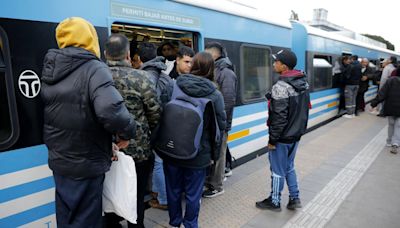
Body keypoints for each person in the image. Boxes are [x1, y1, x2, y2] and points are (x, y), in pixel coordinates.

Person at [40, 18, 136, 227]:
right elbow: (111, 111)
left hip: (60, 158)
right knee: (86, 219)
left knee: (66, 215)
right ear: (90, 38)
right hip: (86, 160)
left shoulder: (50, 67)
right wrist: (127, 133)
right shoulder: (94, 68)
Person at [159, 52, 226, 228]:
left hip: (171, 150)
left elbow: (161, 115)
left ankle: (174, 222)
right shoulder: (214, 94)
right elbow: (220, 128)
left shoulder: (173, 85)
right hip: (198, 154)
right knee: (193, 194)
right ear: (212, 69)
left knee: (173, 190)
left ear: (193, 66)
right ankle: (190, 224)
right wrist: (215, 156)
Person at [103, 34, 161, 228]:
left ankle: (111, 224)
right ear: (128, 55)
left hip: (105, 149)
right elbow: (155, 113)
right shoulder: (141, 78)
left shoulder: (97, 77)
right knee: (135, 193)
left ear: (105, 54)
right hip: (138, 150)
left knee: (109, 191)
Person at [256, 49, 310, 211]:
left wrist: (273, 140)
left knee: (277, 170)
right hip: (295, 134)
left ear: (284, 66)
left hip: (282, 137)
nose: (274, 64)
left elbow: (278, 117)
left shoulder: (281, 86)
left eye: (276, 62)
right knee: (289, 167)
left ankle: (274, 201)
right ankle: (294, 198)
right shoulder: (303, 82)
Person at [138, 42, 174, 210]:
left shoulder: (143, 77)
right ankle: (159, 192)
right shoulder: (166, 76)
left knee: (158, 162)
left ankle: (163, 198)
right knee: (163, 160)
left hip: (154, 127)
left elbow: (150, 106)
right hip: (167, 124)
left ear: (138, 58)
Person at [203, 42, 237, 198]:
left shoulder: (226, 73)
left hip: (219, 121)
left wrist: (222, 123)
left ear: (215, 54)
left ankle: (217, 185)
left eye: (207, 53)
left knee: (219, 153)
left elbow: (228, 101)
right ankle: (211, 180)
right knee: (214, 152)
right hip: (212, 121)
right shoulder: (215, 69)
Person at [370, 68, 400, 154]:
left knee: (391, 124)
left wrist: (374, 103)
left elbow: (382, 93)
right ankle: (396, 143)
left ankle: (389, 141)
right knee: (398, 125)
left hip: (391, 106)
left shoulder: (391, 80)